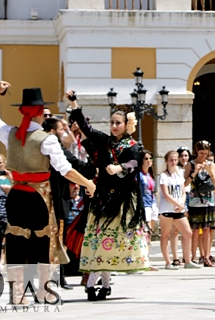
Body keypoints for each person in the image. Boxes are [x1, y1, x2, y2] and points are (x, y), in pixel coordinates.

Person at [0, 83, 96, 304]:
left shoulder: (10, 133)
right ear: (40, 112)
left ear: (22, 110)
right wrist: (88, 183)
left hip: (16, 194)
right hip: (38, 196)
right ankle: (44, 291)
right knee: (45, 242)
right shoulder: (46, 139)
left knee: (16, 242)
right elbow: (65, 169)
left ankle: (18, 294)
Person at [65, 91, 151, 301]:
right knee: (100, 241)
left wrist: (119, 166)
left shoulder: (132, 145)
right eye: (112, 122)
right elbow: (86, 128)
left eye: (118, 123)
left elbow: (133, 164)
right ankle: (99, 284)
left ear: (126, 125)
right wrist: (74, 103)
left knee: (111, 243)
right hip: (102, 199)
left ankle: (100, 284)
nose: (113, 126)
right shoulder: (104, 141)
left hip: (121, 202)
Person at [45, 117, 96, 290]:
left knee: (56, 240)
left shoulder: (51, 148)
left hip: (52, 201)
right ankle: (53, 278)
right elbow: (76, 167)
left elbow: (80, 166)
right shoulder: (56, 150)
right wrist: (89, 175)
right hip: (53, 201)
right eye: (62, 128)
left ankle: (56, 277)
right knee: (54, 240)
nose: (66, 130)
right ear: (52, 132)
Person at [158, 151, 200, 271]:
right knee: (165, 234)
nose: (173, 162)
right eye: (171, 160)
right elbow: (165, 195)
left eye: (175, 160)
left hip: (178, 209)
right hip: (166, 209)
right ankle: (167, 261)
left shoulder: (179, 175)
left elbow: (183, 192)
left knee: (187, 233)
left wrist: (181, 204)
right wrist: (177, 204)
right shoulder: (163, 176)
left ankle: (187, 261)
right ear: (166, 161)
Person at [187, 141, 215, 267]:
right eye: (201, 153)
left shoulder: (211, 164)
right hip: (195, 201)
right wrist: (194, 172)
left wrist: (210, 172)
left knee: (207, 230)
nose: (203, 156)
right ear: (197, 151)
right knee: (195, 230)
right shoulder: (190, 164)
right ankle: (193, 257)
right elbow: (185, 183)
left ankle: (206, 257)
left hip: (208, 200)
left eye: (206, 154)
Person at [169, 146, 192, 266]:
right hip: (177, 198)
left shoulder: (191, 167)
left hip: (189, 196)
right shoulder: (176, 169)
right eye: (181, 156)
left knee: (186, 230)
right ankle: (175, 257)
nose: (184, 158)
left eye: (186, 155)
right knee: (175, 229)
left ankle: (186, 256)